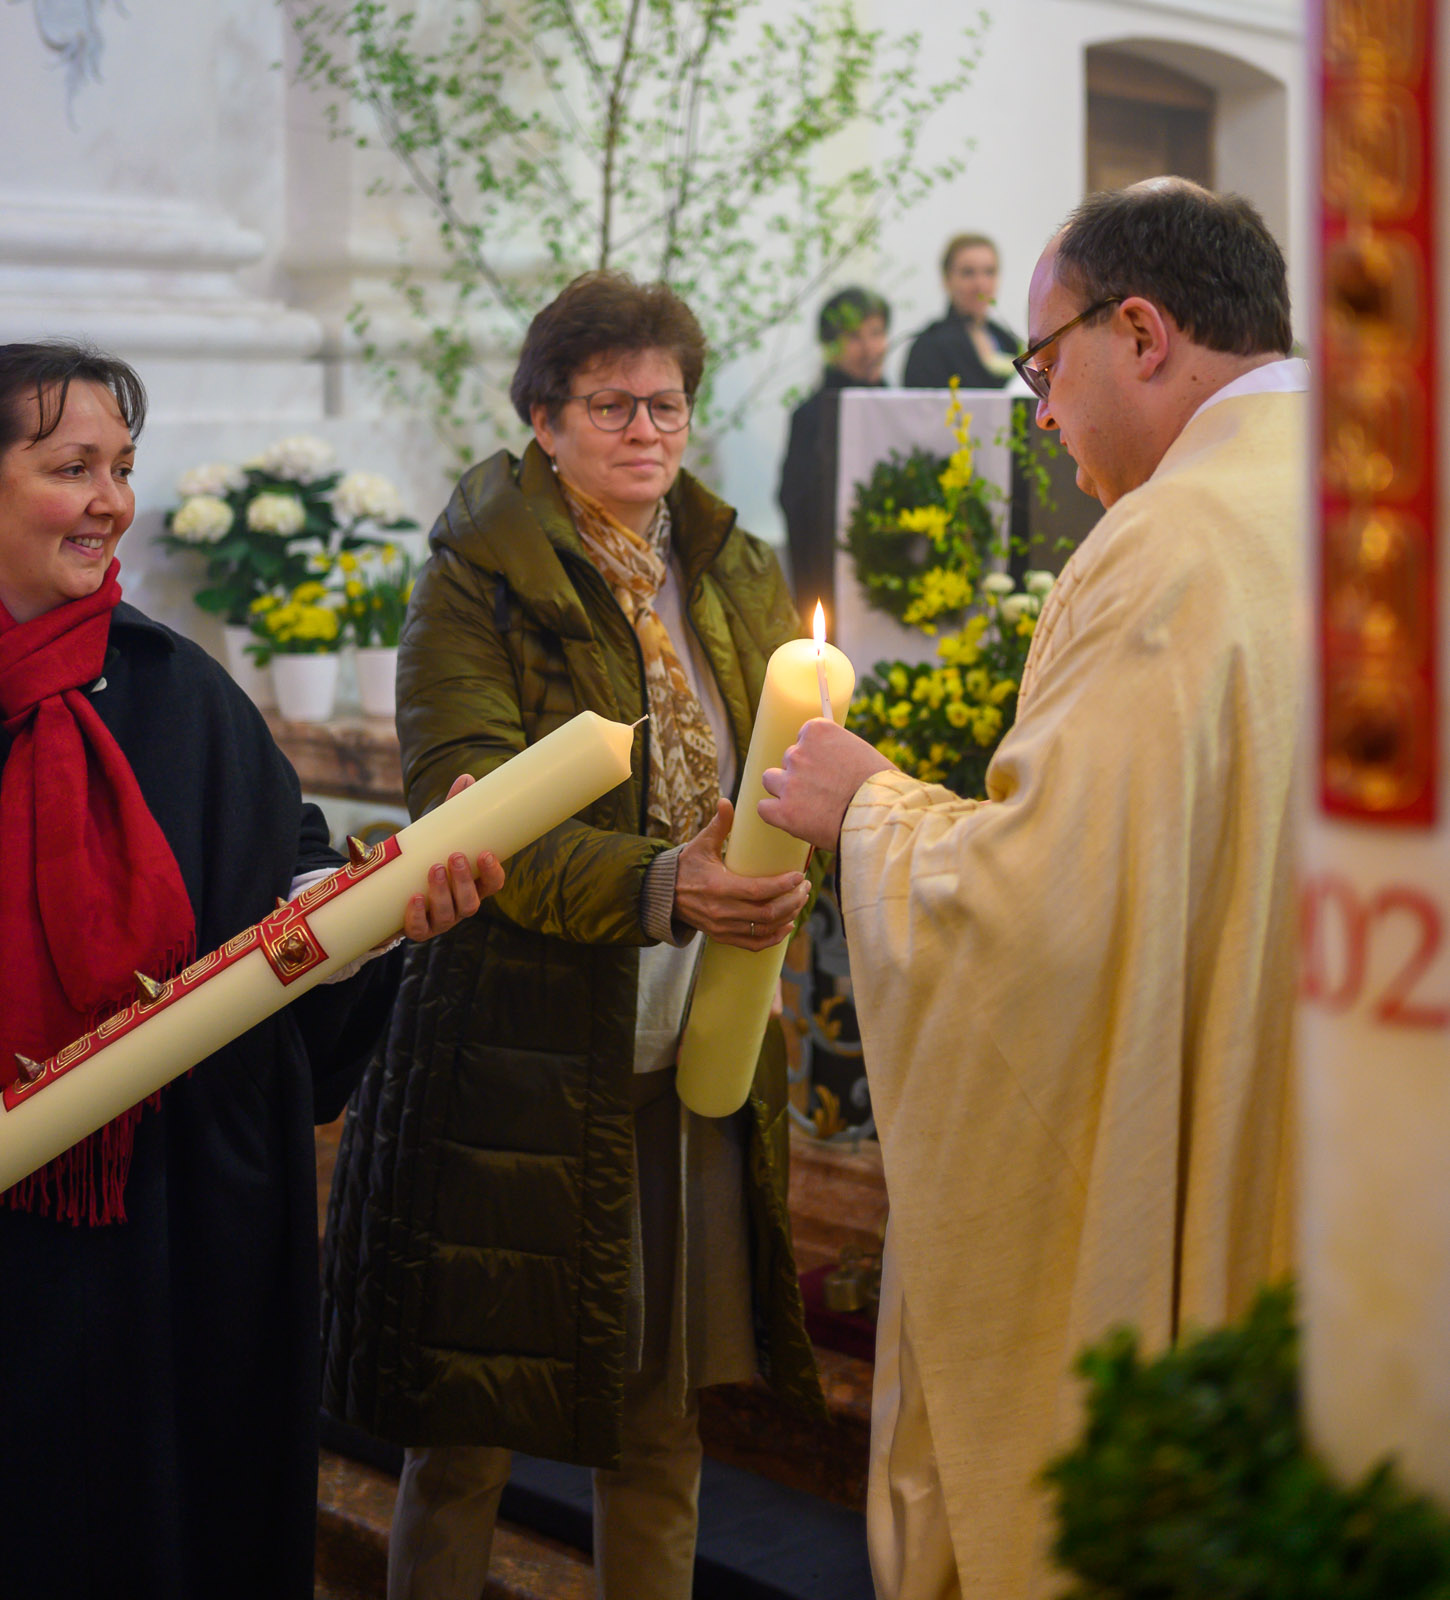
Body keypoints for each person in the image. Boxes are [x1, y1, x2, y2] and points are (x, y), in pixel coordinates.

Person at [758, 180, 1306, 1598]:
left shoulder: (1173, 545)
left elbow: (1043, 916)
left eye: (1042, 365)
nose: (1040, 416)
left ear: (1139, 332)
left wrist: (866, 811)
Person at [321, 270, 824, 1600]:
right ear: (543, 418)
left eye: (667, 405)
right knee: (469, 1426)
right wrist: (668, 884)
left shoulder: (726, 571)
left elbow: (787, 767)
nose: (647, 431)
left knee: (659, 1418)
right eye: (612, 406)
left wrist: (787, 866)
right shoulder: (474, 583)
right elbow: (465, 815)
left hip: (693, 1046)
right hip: (514, 1053)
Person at [0, 341, 501, 1600]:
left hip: (174, 1241)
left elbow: (280, 896)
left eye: (121, 465)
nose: (113, 499)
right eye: (72, 467)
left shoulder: (184, 692)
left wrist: (372, 917)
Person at [777, 285, 891, 613]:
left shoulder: (901, 408)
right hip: (834, 581)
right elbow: (795, 503)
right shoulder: (811, 415)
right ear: (829, 345)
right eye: (854, 336)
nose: (870, 347)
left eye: (877, 332)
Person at [903, 233, 1020, 390]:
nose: (981, 284)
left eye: (989, 272)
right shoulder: (928, 346)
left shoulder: (1007, 340)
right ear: (947, 279)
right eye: (968, 273)